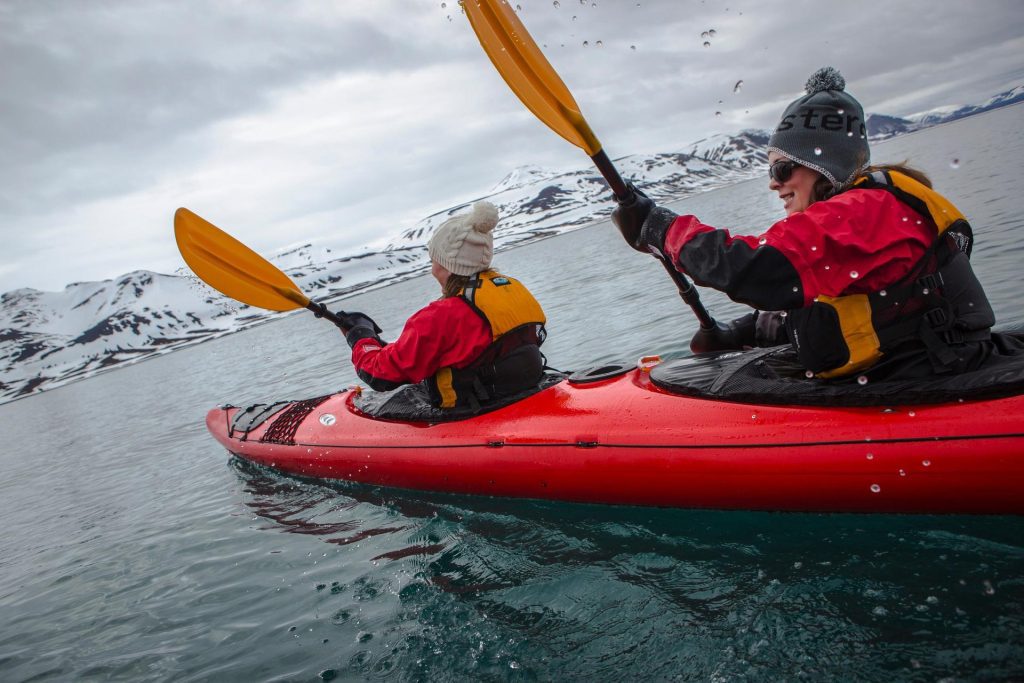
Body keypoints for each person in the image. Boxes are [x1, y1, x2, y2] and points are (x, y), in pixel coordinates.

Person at [612, 66, 1018, 382]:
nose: (775, 183)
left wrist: (660, 228)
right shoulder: (867, 213)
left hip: (931, 382)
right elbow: (831, 301)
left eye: (784, 168)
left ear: (823, 165)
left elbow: (758, 269)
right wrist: (740, 332)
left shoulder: (863, 211)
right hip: (909, 370)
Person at [336, 201, 548, 409]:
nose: (432, 269)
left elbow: (381, 375)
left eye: (433, 261)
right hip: (521, 391)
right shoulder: (511, 289)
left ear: (446, 266)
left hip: (474, 411)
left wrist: (359, 337)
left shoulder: (440, 317)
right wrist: (383, 345)